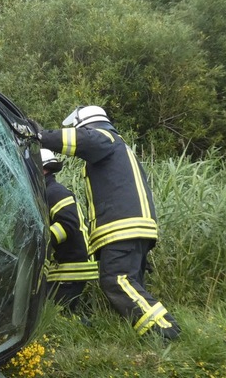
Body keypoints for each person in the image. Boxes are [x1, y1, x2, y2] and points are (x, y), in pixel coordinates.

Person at [38, 105, 181, 340]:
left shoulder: (106, 138)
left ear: (88, 126)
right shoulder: (117, 149)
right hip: (133, 227)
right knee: (131, 284)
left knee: (117, 280)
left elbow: (82, 140)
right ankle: (153, 336)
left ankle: (165, 332)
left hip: (123, 228)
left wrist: (40, 136)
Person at [39, 149, 98, 319]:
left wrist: (40, 241)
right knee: (55, 312)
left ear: (43, 169)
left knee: (59, 314)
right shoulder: (47, 192)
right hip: (64, 267)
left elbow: (68, 226)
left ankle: (83, 328)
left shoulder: (55, 193)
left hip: (73, 268)